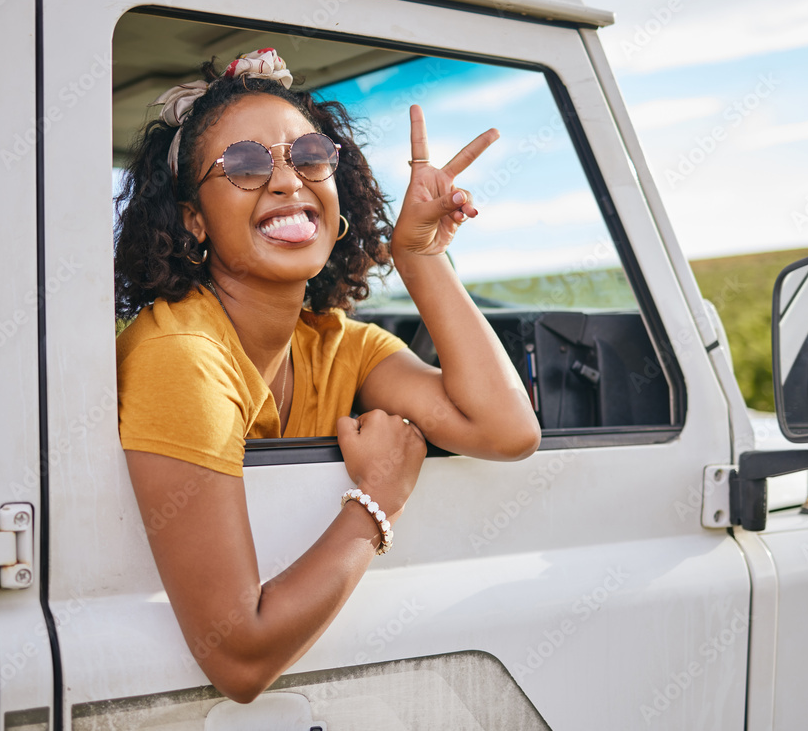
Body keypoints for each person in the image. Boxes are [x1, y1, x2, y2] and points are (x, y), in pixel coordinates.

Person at [113, 49, 540, 703]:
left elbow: (507, 428)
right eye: (247, 165)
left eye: (308, 155)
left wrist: (419, 255)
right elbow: (238, 658)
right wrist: (377, 501)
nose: (287, 182)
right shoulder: (180, 356)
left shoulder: (334, 342)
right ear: (193, 218)